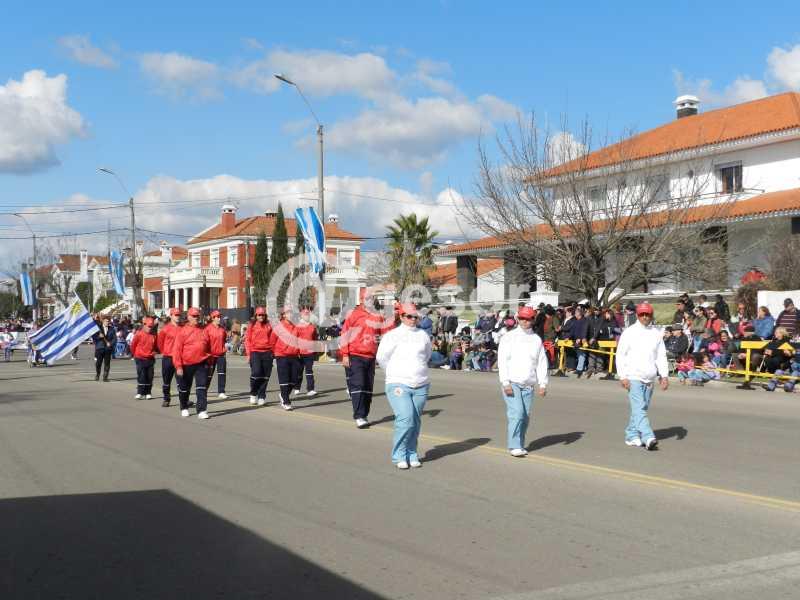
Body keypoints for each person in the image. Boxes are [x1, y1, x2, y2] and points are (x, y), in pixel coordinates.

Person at [376, 303, 432, 470]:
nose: (413, 319)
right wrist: (394, 373)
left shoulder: (423, 335)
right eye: (409, 316)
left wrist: (418, 369)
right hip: (398, 383)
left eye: (416, 317)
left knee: (415, 420)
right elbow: (381, 357)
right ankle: (399, 455)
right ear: (401, 317)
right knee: (406, 418)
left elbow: (426, 355)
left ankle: (412, 452)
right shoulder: (392, 335)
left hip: (421, 383)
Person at [615, 302, 669, 451]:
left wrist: (664, 375)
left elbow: (660, 355)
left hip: (649, 377)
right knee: (639, 408)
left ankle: (631, 435)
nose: (645, 317)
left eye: (647, 314)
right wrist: (622, 376)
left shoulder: (656, 333)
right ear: (638, 315)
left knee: (641, 408)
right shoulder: (629, 332)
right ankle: (648, 436)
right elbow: (620, 355)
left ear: (651, 315)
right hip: (633, 376)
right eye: (642, 314)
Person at [496, 306, 549, 458]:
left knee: (525, 417)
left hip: (528, 385)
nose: (525, 321)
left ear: (533, 320)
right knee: (517, 413)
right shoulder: (509, 337)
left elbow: (541, 362)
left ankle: (519, 444)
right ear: (518, 319)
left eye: (528, 319)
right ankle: (514, 445)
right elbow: (502, 360)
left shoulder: (536, 339)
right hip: (512, 382)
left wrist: (543, 383)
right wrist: (505, 382)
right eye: (522, 318)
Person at [340, 295, 393, 428]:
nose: (370, 300)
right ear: (362, 300)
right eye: (368, 298)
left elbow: (386, 334)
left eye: (372, 298)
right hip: (355, 354)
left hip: (371, 356)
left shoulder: (377, 316)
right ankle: (359, 415)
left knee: (368, 387)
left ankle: (364, 414)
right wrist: (345, 355)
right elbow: (345, 334)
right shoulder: (353, 314)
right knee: (359, 384)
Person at [173, 307, 212, 419]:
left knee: (202, 387)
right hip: (186, 364)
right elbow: (176, 350)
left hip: (201, 363)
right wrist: (178, 366)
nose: (196, 318)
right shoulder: (182, 331)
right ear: (189, 317)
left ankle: (202, 410)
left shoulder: (204, 330)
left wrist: (209, 361)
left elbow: (208, 346)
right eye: (194, 316)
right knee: (185, 388)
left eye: (197, 316)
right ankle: (184, 407)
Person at [245, 306, 274, 406]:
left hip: (267, 352)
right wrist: (248, 354)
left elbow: (273, 339)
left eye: (263, 315)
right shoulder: (252, 325)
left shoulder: (269, 325)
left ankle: (261, 396)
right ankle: (253, 393)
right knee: (256, 373)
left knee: (265, 376)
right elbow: (247, 340)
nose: (261, 316)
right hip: (255, 352)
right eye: (259, 315)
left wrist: (273, 352)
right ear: (256, 315)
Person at [273, 308, 299, 411]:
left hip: (294, 355)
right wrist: (273, 354)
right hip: (281, 355)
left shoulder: (295, 326)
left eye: (291, 313)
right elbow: (272, 340)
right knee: (284, 379)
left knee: (294, 379)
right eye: (288, 313)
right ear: (283, 315)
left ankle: (283, 394)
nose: (290, 315)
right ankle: (286, 401)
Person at [157, 308, 183, 408]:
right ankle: (166, 399)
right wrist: (165, 351)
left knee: (181, 380)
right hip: (168, 358)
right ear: (171, 316)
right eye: (176, 315)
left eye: (179, 315)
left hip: (179, 358)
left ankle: (183, 399)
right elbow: (160, 342)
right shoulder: (165, 329)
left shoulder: (182, 328)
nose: (178, 317)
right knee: (166, 381)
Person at [293, 306, 319, 398]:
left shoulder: (312, 326)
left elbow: (315, 338)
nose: (307, 315)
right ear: (301, 315)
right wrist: (296, 351)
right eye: (305, 314)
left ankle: (310, 389)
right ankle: (297, 387)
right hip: (300, 352)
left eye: (308, 314)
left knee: (309, 371)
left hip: (310, 352)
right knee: (299, 371)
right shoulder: (298, 326)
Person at [130, 317, 158, 399]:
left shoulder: (154, 335)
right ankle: (140, 392)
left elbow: (156, 346)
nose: (150, 328)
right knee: (142, 375)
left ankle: (148, 392)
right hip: (140, 358)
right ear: (144, 325)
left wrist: (155, 352)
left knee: (149, 376)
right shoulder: (139, 334)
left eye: (151, 327)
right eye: (149, 326)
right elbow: (133, 345)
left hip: (150, 358)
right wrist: (135, 354)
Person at [205, 310, 228, 399]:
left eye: (219, 317)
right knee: (208, 374)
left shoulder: (222, 329)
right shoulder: (208, 329)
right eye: (217, 317)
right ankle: (204, 390)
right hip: (210, 355)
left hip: (221, 355)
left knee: (222, 373)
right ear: (212, 318)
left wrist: (223, 349)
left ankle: (221, 391)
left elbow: (224, 339)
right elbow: (205, 342)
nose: (219, 318)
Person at [91, 316, 115, 382]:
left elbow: (114, 338)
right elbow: (94, 337)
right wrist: (99, 336)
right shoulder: (98, 328)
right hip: (100, 348)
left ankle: (105, 377)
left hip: (108, 348)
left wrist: (110, 343)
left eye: (108, 321)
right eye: (106, 321)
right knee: (98, 363)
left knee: (107, 363)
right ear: (103, 321)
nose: (107, 322)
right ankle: (97, 374)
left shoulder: (112, 329)